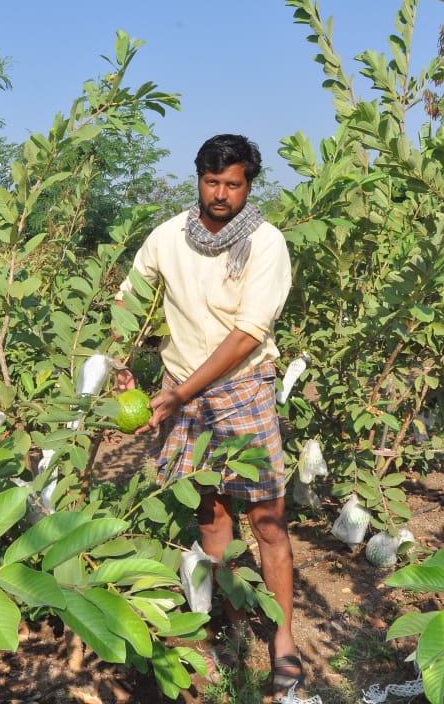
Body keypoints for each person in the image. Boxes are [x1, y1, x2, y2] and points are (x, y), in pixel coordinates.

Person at [115, 134, 307, 701]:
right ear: (197, 177)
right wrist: (122, 360)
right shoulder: (168, 236)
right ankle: (223, 620)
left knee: (268, 522)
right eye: (211, 181)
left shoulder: (266, 243)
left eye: (233, 183)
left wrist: (179, 395)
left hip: (242, 391)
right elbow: (131, 299)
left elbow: (249, 333)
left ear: (249, 184)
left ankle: (284, 638)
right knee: (210, 517)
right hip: (182, 392)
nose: (220, 194)